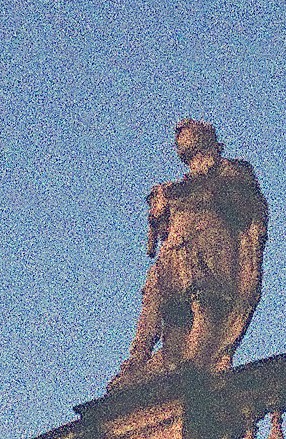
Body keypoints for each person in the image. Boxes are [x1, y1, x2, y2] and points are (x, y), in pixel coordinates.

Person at [113, 122, 269, 383]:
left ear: (206, 139)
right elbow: (160, 231)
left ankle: (197, 356)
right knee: (156, 296)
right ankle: (139, 358)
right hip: (176, 246)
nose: (179, 136)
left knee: (203, 295)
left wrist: (195, 193)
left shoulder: (231, 171)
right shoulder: (179, 184)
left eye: (188, 132)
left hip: (211, 244)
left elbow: (245, 209)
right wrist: (159, 212)